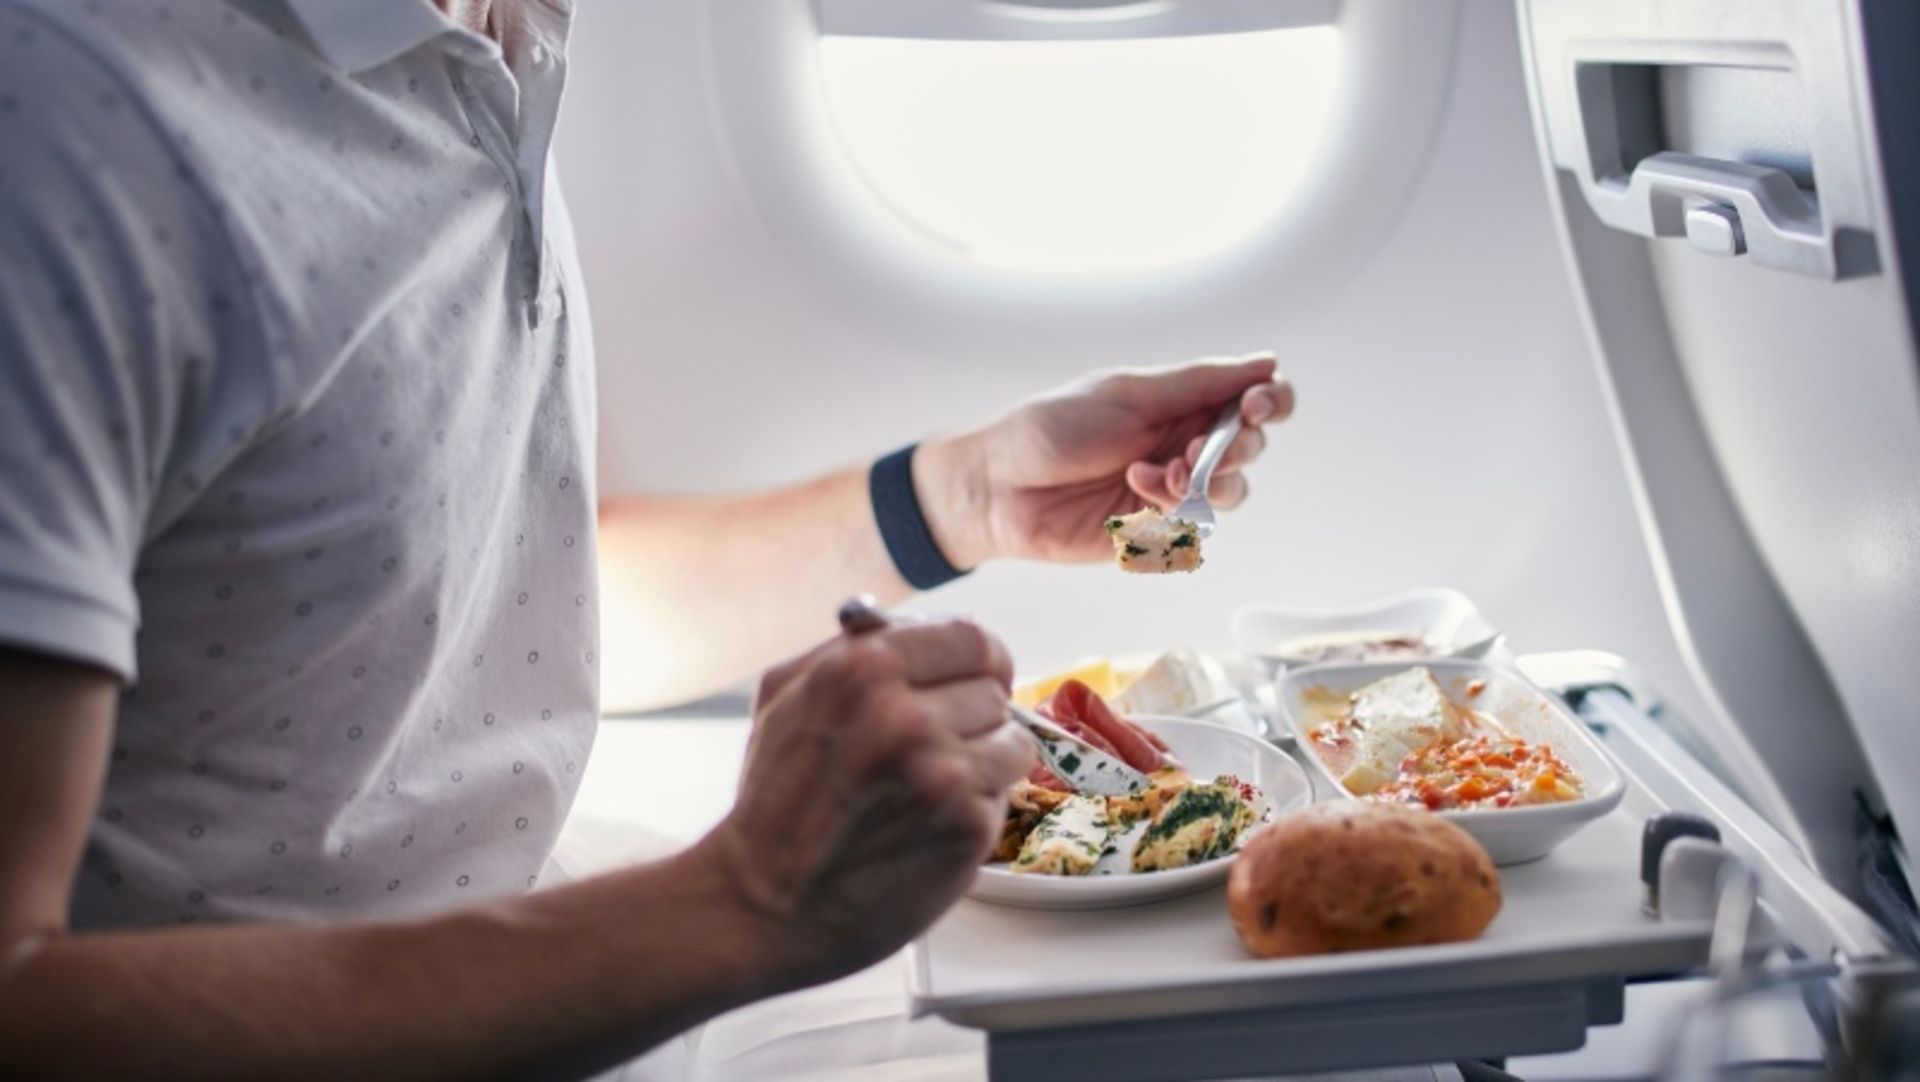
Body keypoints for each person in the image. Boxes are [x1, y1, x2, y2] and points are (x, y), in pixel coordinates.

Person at [0, 0, 1294, 1076]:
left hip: (561, 949)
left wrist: (962, 496)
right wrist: (741, 902)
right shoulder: (69, 127)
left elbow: (480, 610)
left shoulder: (492, 43)